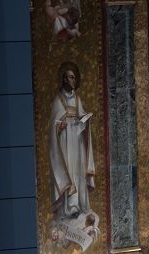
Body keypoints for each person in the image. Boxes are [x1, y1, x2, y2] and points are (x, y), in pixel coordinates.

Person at [50, 62, 95, 220]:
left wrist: (86, 119)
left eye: (74, 77)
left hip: (76, 141)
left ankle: (81, 204)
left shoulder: (77, 98)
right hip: (64, 142)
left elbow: (81, 116)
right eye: (70, 77)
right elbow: (53, 123)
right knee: (68, 170)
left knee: (78, 171)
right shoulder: (58, 99)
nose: (73, 80)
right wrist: (58, 126)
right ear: (63, 79)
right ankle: (70, 207)